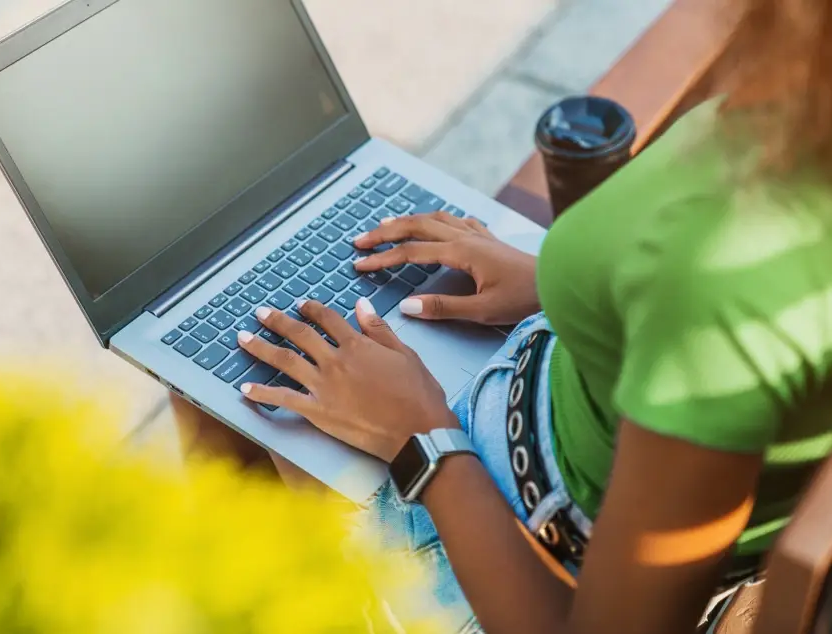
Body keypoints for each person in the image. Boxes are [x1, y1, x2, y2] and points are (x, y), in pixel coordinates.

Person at [172, 0, 832, 631]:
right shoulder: (807, 98)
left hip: (502, 544)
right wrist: (566, 282)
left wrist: (419, 438)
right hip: (546, 396)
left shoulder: (726, 279)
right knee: (238, 342)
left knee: (215, 382)